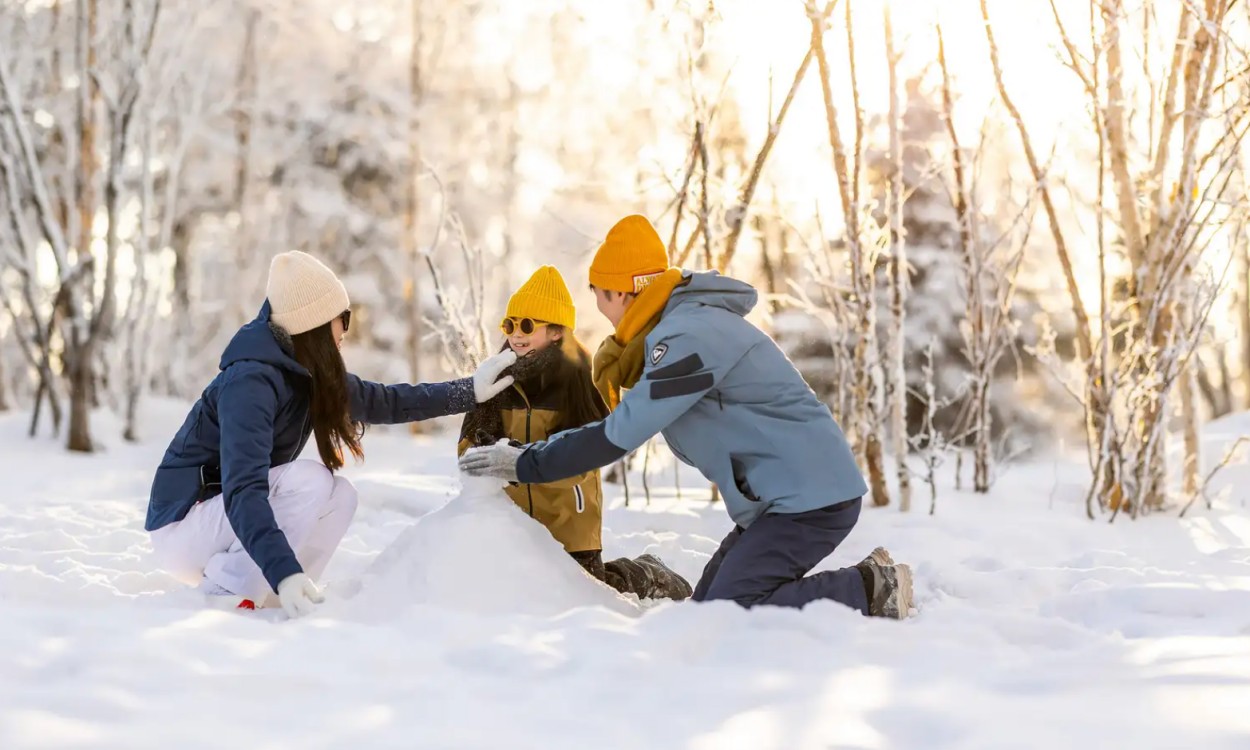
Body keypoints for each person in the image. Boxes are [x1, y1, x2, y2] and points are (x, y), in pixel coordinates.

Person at [460, 215, 913, 618]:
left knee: (734, 613)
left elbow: (619, 435)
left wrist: (526, 462)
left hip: (810, 499)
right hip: (779, 501)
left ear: (622, 290)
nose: (599, 306)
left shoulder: (687, 337)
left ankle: (871, 588)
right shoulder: (677, 330)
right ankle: (860, 586)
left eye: (600, 294)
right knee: (705, 612)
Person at [147, 251, 516, 618]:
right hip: (184, 527)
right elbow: (244, 489)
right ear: (316, 324)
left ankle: (281, 594)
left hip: (222, 523)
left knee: (341, 496)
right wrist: (283, 569)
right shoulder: (250, 382)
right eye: (343, 318)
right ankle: (232, 588)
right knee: (310, 480)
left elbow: (387, 401)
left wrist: (470, 391)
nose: (346, 328)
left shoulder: (305, 373)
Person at [458, 266, 691, 601]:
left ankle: (647, 572)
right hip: (515, 524)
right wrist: (482, 444)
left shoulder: (577, 378)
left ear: (556, 332)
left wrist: (520, 460)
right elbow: (464, 451)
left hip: (569, 522)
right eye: (510, 325)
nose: (516, 335)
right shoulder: (495, 379)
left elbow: (582, 457)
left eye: (527, 325)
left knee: (591, 589)